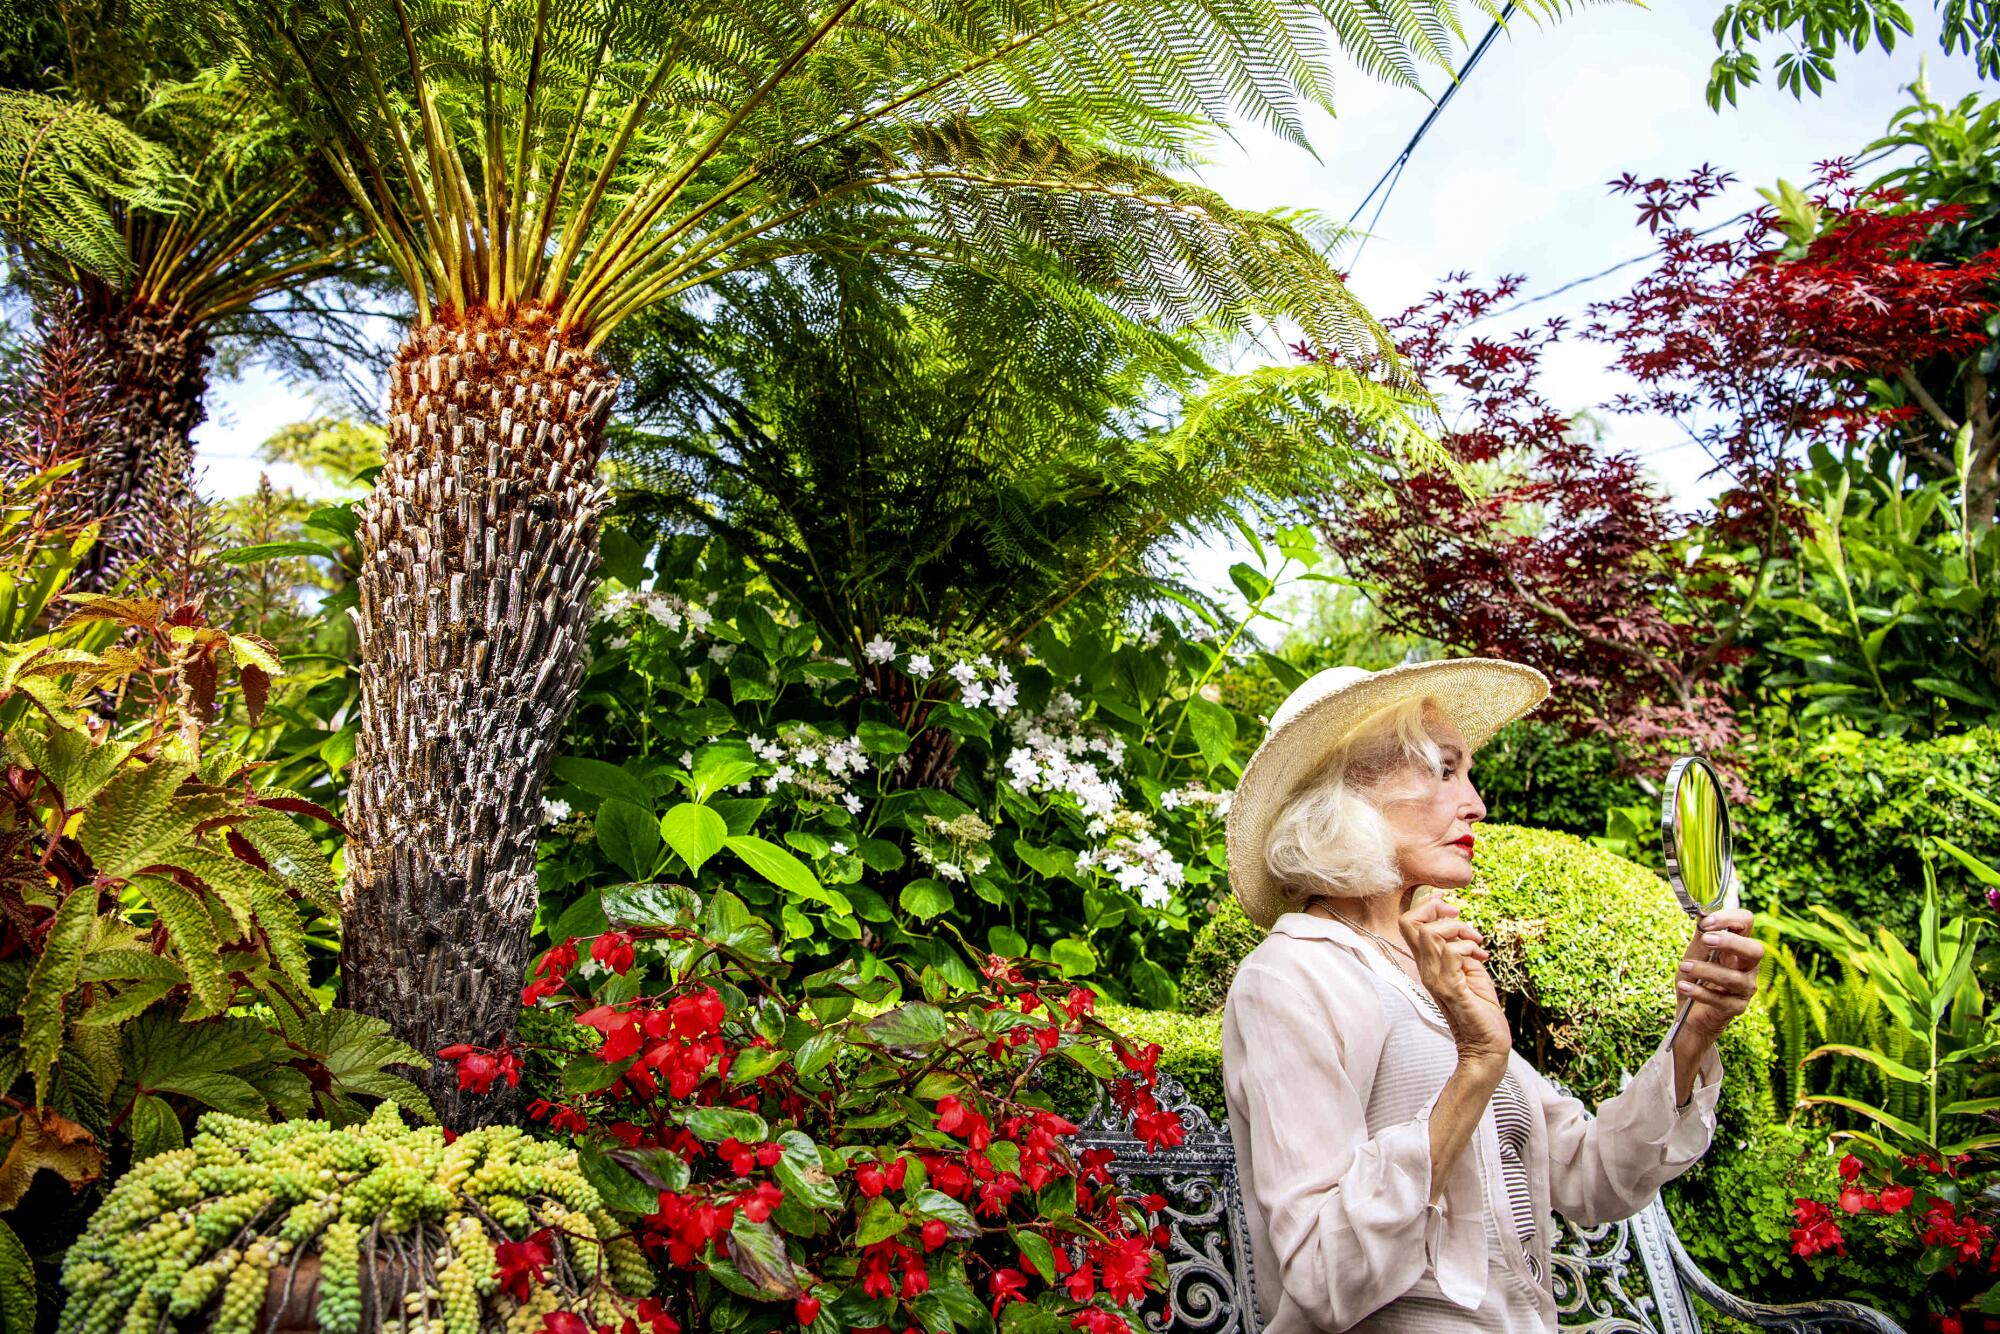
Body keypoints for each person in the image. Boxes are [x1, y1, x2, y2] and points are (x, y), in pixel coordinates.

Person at [1220, 660, 1761, 1333]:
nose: (1475, 801)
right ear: (1348, 795)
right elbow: (1324, 1279)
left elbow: (1590, 1176)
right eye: (1444, 770)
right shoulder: (1291, 978)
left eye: (1467, 771)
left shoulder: (1428, 965)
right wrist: (1477, 1062)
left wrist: (1696, 1031)